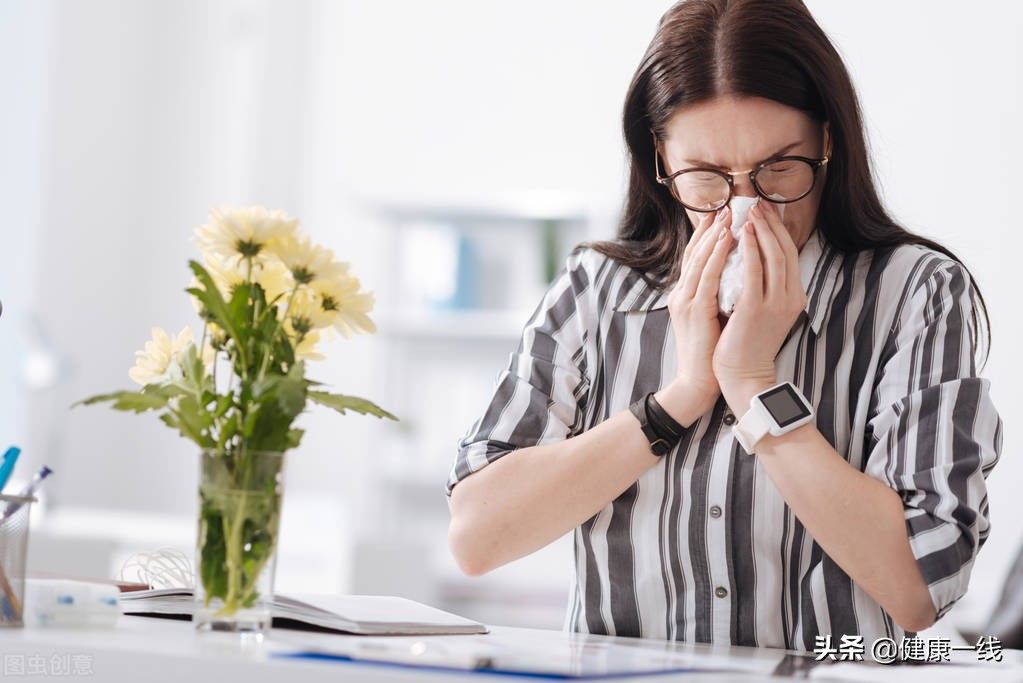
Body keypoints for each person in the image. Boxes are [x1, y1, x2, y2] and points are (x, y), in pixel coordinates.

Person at [445, 0, 1002, 653]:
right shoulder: (596, 290)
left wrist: (751, 385)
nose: (745, 208)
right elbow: (477, 536)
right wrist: (676, 400)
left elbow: (916, 587)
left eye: (778, 168)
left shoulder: (914, 291)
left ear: (826, 140)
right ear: (659, 158)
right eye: (707, 178)